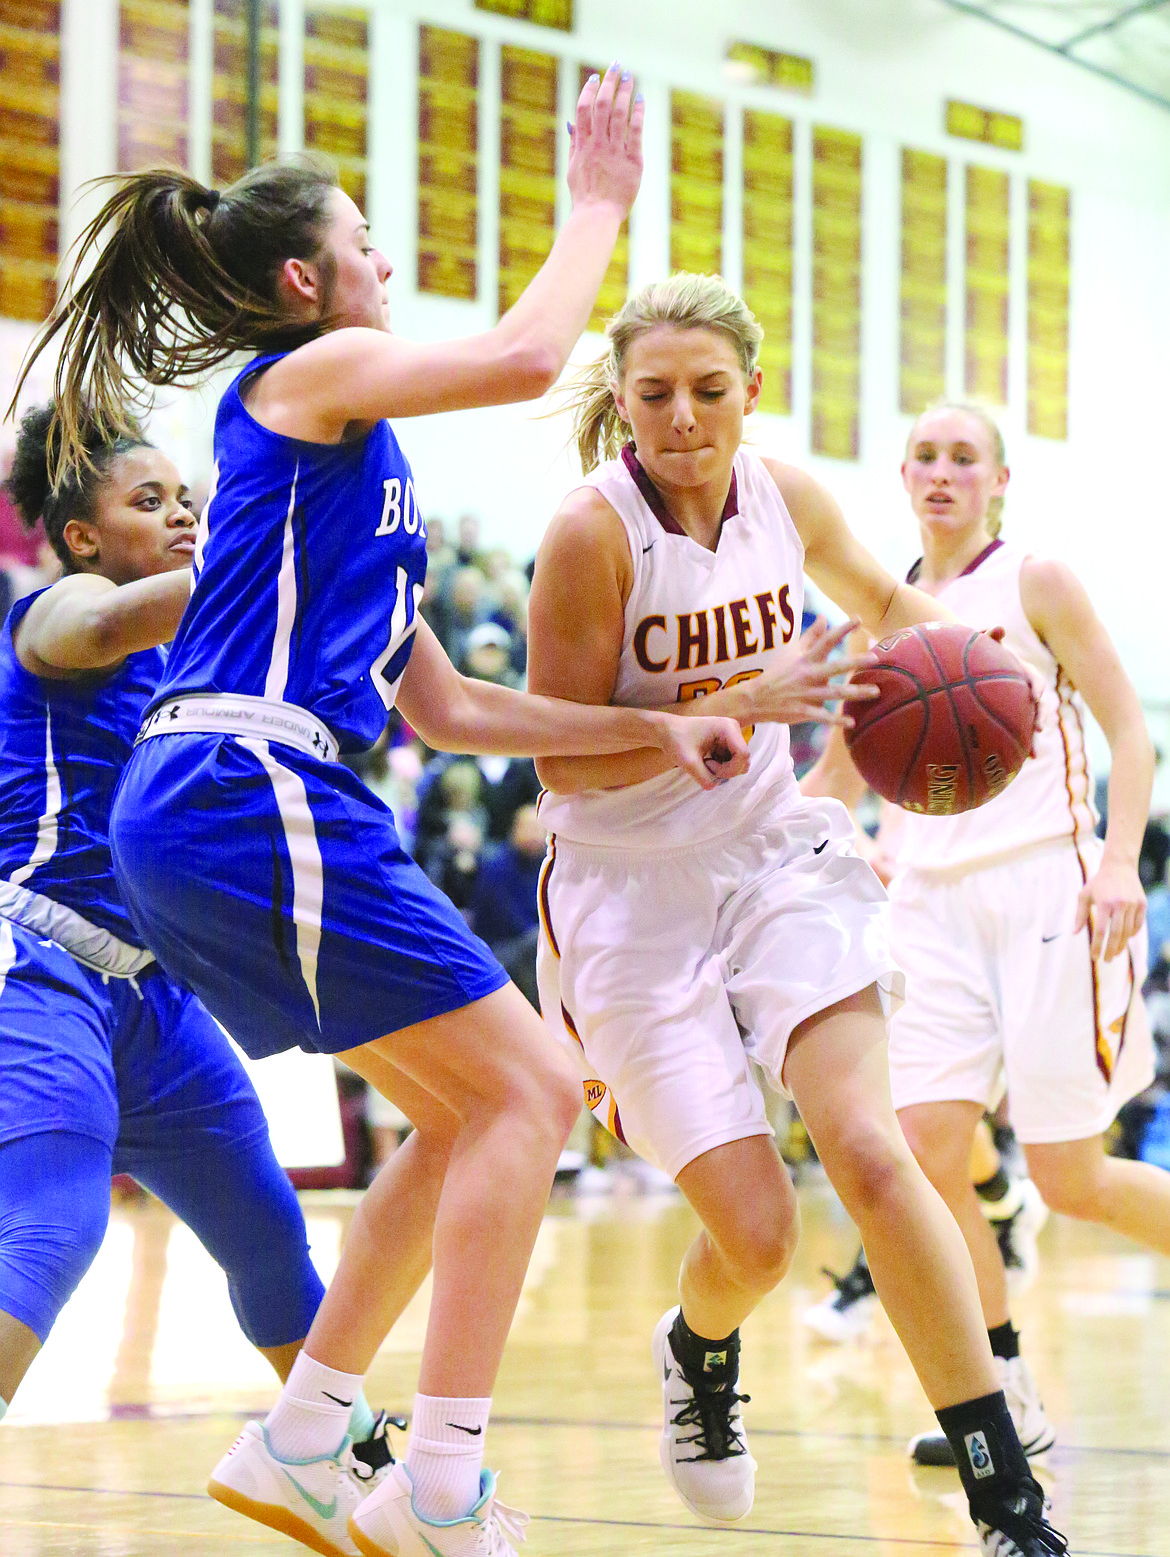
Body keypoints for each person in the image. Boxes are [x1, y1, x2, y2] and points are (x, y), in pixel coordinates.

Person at [13, 69, 755, 1557]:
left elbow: (454, 710)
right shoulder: (296, 385)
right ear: (306, 281)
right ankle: (436, 1478)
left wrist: (659, 727)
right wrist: (599, 196)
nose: (386, 263)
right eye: (366, 241)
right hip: (245, 784)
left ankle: (303, 1435)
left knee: (457, 1112)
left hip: (235, 802)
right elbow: (532, 348)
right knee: (533, 1093)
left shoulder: (361, 487)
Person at [526, 274, 1067, 1556]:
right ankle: (699, 1349)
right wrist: (726, 712)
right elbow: (559, 762)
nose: (683, 418)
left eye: (710, 391)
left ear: (751, 395)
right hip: (626, 893)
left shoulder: (788, 496)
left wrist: (995, 684)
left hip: (776, 860)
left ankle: (1007, 1498)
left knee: (873, 1154)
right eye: (654, 394)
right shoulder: (591, 535)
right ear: (623, 402)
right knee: (758, 1238)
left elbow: (892, 612)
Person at [0, 404, 397, 1504]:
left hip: (156, 997)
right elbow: (97, 627)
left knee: (268, 1233)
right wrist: (258, 550)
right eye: (148, 502)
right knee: (58, 1222)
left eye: (188, 499)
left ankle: (352, 1471)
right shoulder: (62, 608)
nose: (180, 514)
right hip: (37, 966)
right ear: (82, 537)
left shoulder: (200, 654)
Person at [802, 400, 1163, 1469]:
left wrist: (1117, 858)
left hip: (1048, 889)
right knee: (921, 1152)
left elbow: (1128, 727)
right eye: (925, 456)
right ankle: (1002, 1389)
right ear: (903, 476)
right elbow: (837, 778)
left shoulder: (1036, 580)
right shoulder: (881, 609)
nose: (943, 474)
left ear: (1001, 480)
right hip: (925, 905)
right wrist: (833, 841)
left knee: (1070, 1179)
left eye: (966, 458)